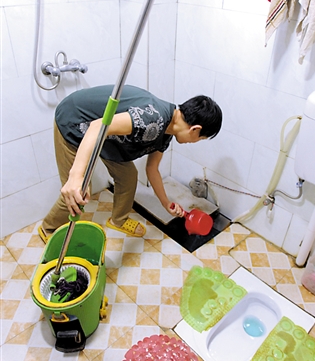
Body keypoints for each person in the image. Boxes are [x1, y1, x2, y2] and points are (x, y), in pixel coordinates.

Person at [38, 84, 222, 244]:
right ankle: (48, 229)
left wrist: (166, 203)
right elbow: (97, 127)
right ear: (195, 129)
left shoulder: (167, 132)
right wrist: (76, 177)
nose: (195, 142)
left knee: (128, 176)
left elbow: (152, 169)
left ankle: (118, 220)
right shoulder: (152, 118)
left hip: (107, 137)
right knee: (78, 191)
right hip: (76, 123)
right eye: (201, 138)